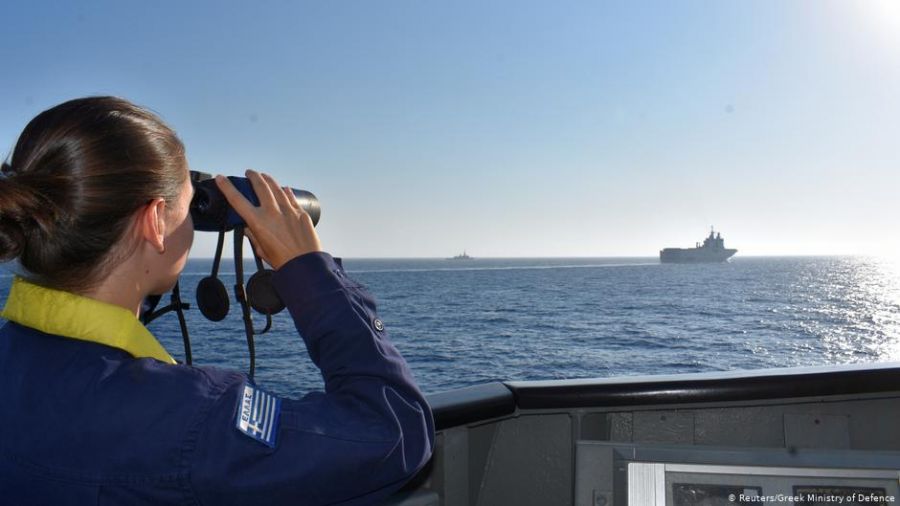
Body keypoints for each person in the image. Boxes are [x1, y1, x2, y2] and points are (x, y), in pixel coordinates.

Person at [0, 96, 434, 505]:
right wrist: (309, 270)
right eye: (189, 207)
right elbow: (394, 432)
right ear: (155, 222)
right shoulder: (192, 421)